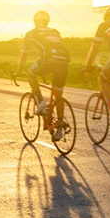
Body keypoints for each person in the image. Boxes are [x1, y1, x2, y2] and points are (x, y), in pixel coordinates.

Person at [16, 10, 70, 141]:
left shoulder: (30, 34)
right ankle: (60, 125)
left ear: (35, 21)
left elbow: (24, 55)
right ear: (47, 21)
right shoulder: (55, 31)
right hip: (64, 61)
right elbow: (53, 46)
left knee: (30, 73)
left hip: (49, 60)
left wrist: (18, 71)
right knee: (58, 95)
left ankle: (41, 103)